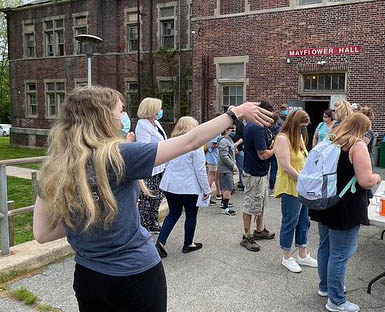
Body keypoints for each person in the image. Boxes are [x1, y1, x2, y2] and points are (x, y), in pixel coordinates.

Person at [32, 86, 272, 312]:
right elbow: (191, 140)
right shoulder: (119, 156)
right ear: (103, 117)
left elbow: (42, 234)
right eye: (120, 110)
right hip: (134, 276)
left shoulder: (54, 166)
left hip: (87, 276)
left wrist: (90, 218)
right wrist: (235, 112)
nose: (124, 116)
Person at [309, 113, 381, 312]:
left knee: (325, 247)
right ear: (362, 129)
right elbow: (365, 180)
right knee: (340, 254)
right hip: (346, 205)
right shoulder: (357, 145)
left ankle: (325, 287)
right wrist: (376, 177)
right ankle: (337, 300)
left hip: (326, 201)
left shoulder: (331, 140)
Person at [155, 117, 211, 257]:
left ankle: (160, 242)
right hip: (189, 186)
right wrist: (206, 189)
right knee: (191, 215)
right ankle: (188, 243)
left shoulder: (170, 142)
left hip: (171, 184)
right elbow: (200, 169)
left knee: (173, 213)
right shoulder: (195, 145)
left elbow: (165, 163)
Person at [274, 110, 318, 273]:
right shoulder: (282, 138)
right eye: (302, 126)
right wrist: (304, 180)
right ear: (294, 124)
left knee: (304, 221)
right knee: (290, 221)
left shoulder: (298, 137)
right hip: (291, 187)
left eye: (305, 127)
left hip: (303, 186)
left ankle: (302, 254)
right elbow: (286, 167)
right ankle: (287, 256)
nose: (303, 130)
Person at [240, 100, 277, 252]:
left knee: (260, 203)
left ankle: (260, 231)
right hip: (255, 172)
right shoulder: (257, 128)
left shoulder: (256, 126)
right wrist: (276, 148)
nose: (269, 119)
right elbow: (262, 155)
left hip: (259, 172)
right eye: (267, 115)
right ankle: (247, 236)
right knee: (251, 204)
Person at [135, 97, 168, 232]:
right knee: (147, 197)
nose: (160, 111)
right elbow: (145, 147)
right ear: (151, 109)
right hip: (150, 167)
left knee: (158, 195)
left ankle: (153, 220)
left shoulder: (156, 123)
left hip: (160, 165)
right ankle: (144, 224)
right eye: (158, 108)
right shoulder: (142, 124)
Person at [217, 125, 238, 215]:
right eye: (231, 130)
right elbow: (224, 156)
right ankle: (225, 208)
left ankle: (224, 203)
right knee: (228, 187)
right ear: (226, 130)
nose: (233, 132)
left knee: (227, 186)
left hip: (227, 168)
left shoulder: (228, 140)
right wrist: (232, 165)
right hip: (225, 168)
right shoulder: (223, 141)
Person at [229, 105, 246, 191]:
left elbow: (243, 136)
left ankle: (241, 183)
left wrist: (236, 144)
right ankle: (230, 186)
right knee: (230, 168)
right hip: (228, 150)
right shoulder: (226, 124)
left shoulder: (239, 123)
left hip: (239, 148)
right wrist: (232, 145)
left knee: (241, 167)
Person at [268, 111, 282, 196]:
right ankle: (271, 189)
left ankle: (267, 187)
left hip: (266, 149)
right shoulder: (278, 129)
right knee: (274, 170)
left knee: (266, 169)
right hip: (274, 150)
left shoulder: (266, 127)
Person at [204, 133, 220, 204]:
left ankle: (217, 194)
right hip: (212, 158)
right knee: (211, 177)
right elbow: (211, 145)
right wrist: (220, 144)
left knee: (213, 176)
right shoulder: (215, 134)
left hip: (211, 158)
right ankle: (207, 196)